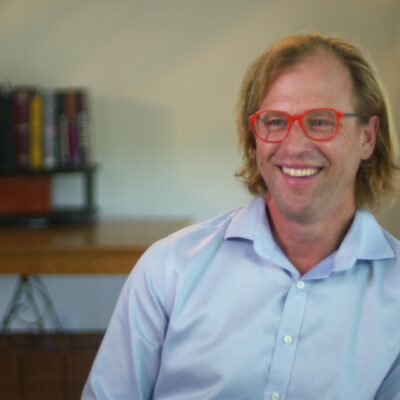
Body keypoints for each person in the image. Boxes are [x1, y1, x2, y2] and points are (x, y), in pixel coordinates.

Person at [82, 32, 400, 399]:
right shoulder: (168, 270)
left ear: (368, 137)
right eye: (275, 121)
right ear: (255, 137)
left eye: (320, 121)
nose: (294, 146)